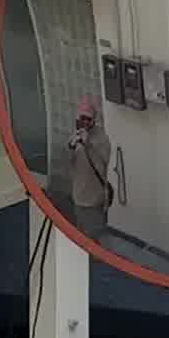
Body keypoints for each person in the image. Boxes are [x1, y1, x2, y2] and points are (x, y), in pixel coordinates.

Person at [56, 97, 114, 246]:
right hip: (78, 198)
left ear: (94, 120)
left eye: (89, 119)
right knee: (81, 239)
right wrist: (70, 147)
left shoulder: (101, 138)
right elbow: (65, 165)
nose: (85, 122)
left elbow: (103, 163)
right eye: (83, 118)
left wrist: (88, 145)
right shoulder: (76, 135)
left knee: (93, 240)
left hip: (94, 200)